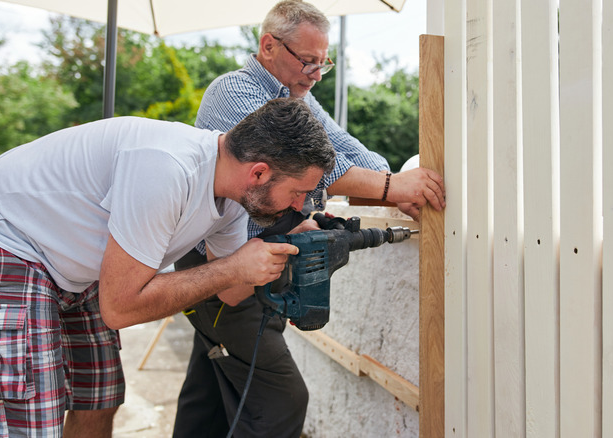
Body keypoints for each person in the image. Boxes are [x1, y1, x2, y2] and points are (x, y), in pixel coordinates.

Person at [0, 97, 335, 437]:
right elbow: (120, 308)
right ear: (259, 173)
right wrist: (234, 268)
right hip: (6, 239)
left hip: (75, 264)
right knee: (31, 418)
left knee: (99, 397)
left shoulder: (235, 197)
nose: (301, 205)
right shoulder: (168, 168)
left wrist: (283, 244)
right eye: (298, 192)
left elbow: (229, 293)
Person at [172, 1, 446, 437]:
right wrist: (393, 189)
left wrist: (389, 177)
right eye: (308, 61)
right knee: (280, 401)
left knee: (208, 394)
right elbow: (306, 166)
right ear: (267, 45)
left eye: (324, 63)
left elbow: (344, 148)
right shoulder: (235, 91)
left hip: (249, 262)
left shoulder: (296, 98)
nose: (316, 73)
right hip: (219, 266)